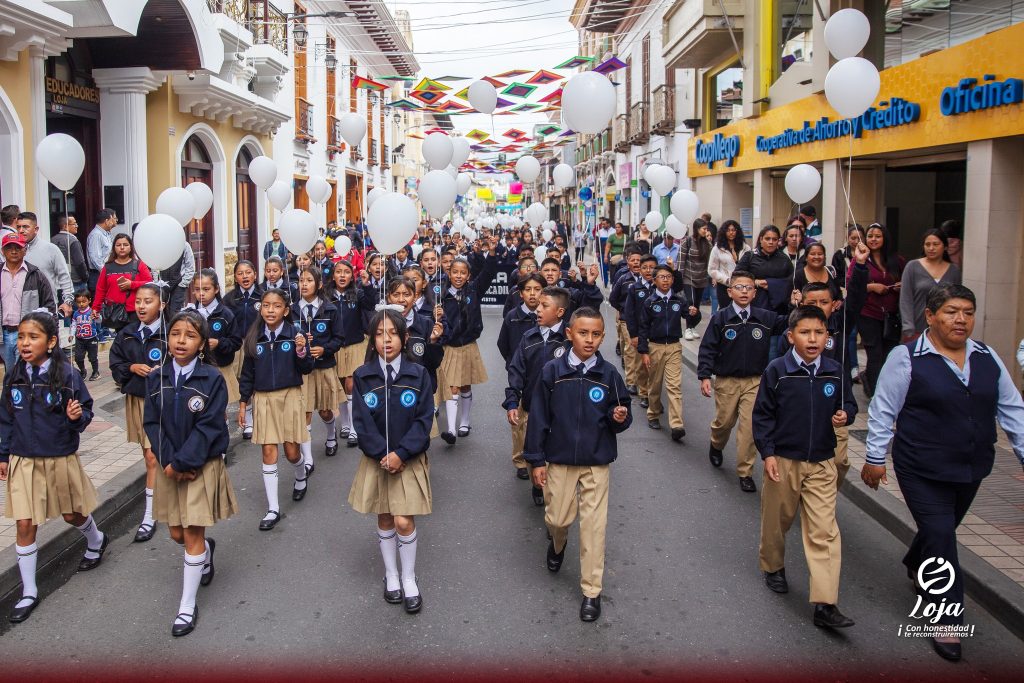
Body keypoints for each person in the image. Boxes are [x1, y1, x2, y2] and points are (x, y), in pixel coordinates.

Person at [862, 283, 1024, 662]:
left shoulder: (987, 356)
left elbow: (1012, 409)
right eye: (951, 311)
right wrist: (874, 457)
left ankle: (916, 561)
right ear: (930, 316)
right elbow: (884, 410)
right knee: (941, 536)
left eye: (968, 312)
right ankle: (946, 617)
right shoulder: (906, 358)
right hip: (921, 466)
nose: (961, 319)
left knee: (942, 531)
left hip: (972, 467)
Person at [524, 307, 632, 623]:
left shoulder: (609, 374)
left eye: (596, 334)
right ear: (570, 333)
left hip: (596, 462)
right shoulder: (552, 372)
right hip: (559, 461)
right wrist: (536, 460)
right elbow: (539, 418)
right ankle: (558, 545)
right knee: (557, 520)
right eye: (583, 333)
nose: (589, 339)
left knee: (594, 529)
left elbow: (621, 413)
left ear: (602, 336)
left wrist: (619, 418)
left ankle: (591, 591)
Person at [0, 312, 108, 624]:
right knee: (24, 523)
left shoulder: (67, 375)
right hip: (24, 459)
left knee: (71, 514)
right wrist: (4, 455)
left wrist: (77, 417)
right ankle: (29, 591)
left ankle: (96, 540)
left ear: (51, 342)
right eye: (21, 337)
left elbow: (85, 412)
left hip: (59, 456)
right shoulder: (15, 375)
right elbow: (6, 418)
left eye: (32, 337)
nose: (24, 343)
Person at [754, 305, 857, 629]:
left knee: (824, 532)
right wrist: (768, 453)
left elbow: (848, 404)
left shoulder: (835, 371)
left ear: (827, 336)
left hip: (822, 463)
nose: (812, 339)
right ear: (791, 336)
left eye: (819, 332)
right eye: (805, 332)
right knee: (777, 521)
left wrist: (846, 415)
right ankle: (773, 566)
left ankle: (825, 604)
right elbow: (763, 415)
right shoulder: (777, 370)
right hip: (784, 461)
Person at [143, 310, 238, 637]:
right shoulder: (155, 378)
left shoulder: (212, 379)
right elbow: (152, 423)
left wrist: (186, 461)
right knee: (176, 534)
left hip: (200, 465)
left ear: (201, 344)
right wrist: (169, 460)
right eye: (176, 334)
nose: (181, 341)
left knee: (193, 534)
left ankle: (186, 605)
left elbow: (210, 425)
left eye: (190, 335)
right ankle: (206, 552)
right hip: (170, 466)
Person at [348, 309, 434, 615]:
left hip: (407, 459)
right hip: (377, 460)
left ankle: (409, 577)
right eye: (380, 333)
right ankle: (392, 575)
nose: (387, 340)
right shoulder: (363, 375)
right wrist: (380, 453)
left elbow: (424, 421)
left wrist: (402, 453)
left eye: (394, 333)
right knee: (385, 517)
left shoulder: (419, 375)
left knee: (403, 519)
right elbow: (361, 421)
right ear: (372, 339)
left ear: (405, 338)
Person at [697, 270, 788, 493]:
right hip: (727, 381)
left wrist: (796, 304)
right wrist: (704, 376)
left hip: (755, 382)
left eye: (749, 288)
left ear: (755, 293)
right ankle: (716, 444)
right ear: (729, 292)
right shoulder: (721, 318)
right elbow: (707, 348)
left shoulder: (764, 318)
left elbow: (788, 323)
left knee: (749, 428)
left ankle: (745, 472)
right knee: (724, 422)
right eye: (739, 287)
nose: (744, 291)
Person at [237, 288, 314, 531]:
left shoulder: (295, 334)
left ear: (286, 310)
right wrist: (243, 403)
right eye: (266, 306)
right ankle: (273, 509)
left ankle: (300, 475)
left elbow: (307, 367)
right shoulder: (254, 337)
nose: (271, 310)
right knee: (268, 451)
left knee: (292, 452)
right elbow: (247, 373)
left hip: (289, 396)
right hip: (263, 399)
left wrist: (301, 350)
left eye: (277, 306)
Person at [109, 282, 168, 543]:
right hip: (139, 400)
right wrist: (132, 367)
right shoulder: (128, 333)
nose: (142, 306)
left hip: (166, 400)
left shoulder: (172, 332)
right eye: (138, 302)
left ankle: (155, 508)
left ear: (162, 305)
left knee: (157, 455)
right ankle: (152, 510)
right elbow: (116, 361)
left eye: (148, 301)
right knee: (150, 456)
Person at [504, 286, 571, 505]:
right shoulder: (529, 337)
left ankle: (554, 488)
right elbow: (516, 370)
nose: (538, 310)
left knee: (557, 449)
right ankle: (537, 482)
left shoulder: (568, 340)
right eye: (538, 305)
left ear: (560, 312)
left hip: (561, 410)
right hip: (532, 406)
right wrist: (513, 400)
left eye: (545, 306)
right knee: (534, 445)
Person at [437, 240, 498, 443]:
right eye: (455, 272)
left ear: (468, 275)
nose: (459, 276)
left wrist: (491, 253)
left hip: (468, 345)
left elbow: (488, 274)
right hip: (449, 347)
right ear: (449, 273)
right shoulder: (441, 296)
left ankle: (465, 421)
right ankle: (452, 431)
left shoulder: (473, 290)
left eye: (463, 273)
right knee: (452, 385)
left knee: (465, 386)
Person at [292, 266, 343, 466]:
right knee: (304, 412)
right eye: (301, 280)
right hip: (301, 371)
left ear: (319, 284)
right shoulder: (292, 310)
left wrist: (324, 349)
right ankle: (308, 459)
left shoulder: (329, 309)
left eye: (309, 280)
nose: (304, 284)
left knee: (324, 410)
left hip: (323, 367)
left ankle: (331, 434)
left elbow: (339, 338)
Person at [639, 265, 697, 441]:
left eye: (668, 277)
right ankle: (653, 413)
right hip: (655, 346)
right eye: (661, 277)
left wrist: (694, 313)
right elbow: (643, 328)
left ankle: (677, 424)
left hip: (673, 346)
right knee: (655, 383)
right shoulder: (650, 302)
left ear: (673, 280)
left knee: (674, 385)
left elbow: (690, 317)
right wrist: (644, 351)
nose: (665, 280)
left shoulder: (678, 301)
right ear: (654, 280)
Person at [855, 222, 905, 397]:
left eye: (877, 236)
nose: (873, 239)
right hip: (868, 314)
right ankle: (876, 393)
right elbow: (851, 284)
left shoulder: (897, 261)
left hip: (891, 316)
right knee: (874, 354)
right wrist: (871, 287)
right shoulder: (860, 259)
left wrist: (901, 286)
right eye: (870, 236)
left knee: (888, 355)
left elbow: (908, 282)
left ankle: (875, 382)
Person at [325, 260, 368, 449]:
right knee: (341, 385)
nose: (342, 275)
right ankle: (344, 423)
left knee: (351, 384)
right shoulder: (326, 296)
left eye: (347, 272)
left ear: (353, 275)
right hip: (335, 346)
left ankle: (353, 428)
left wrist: (367, 285)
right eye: (338, 272)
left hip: (354, 344)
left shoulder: (357, 294)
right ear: (333, 275)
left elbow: (371, 303)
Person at [737, 225, 794, 359]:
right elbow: (737, 277)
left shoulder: (784, 260)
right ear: (761, 239)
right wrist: (754, 282)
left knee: (772, 350)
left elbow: (791, 282)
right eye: (767, 238)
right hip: (754, 307)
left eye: (774, 239)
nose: (771, 242)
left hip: (776, 310)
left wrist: (771, 284)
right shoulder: (750, 256)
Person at [1, 234, 56, 371]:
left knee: (27, 372)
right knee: (10, 374)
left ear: (25, 250)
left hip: (28, 335)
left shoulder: (35, 275)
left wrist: (52, 334)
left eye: (18, 248)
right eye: (9, 248)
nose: (14, 251)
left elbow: (49, 306)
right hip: (3, 335)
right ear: (2, 251)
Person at [185, 269, 240, 405]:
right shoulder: (190, 313)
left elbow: (236, 341)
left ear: (216, 289)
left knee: (220, 403)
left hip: (219, 366)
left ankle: (223, 424)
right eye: (197, 289)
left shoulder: (225, 314)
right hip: (196, 367)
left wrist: (219, 343)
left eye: (206, 289)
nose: (201, 293)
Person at [221, 260, 262, 439]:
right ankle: (240, 414)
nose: (244, 276)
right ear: (235, 277)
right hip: (237, 344)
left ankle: (250, 420)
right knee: (239, 380)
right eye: (240, 273)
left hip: (256, 343)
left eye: (248, 272)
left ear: (254, 274)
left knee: (252, 379)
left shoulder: (263, 296)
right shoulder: (229, 299)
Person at [899, 229, 961, 342]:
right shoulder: (912, 267)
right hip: (917, 330)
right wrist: (908, 327)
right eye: (927, 244)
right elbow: (905, 299)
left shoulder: (954, 271)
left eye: (936, 244)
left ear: (945, 247)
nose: (931, 248)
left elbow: (957, 301)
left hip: (945, 330)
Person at [91, 233, 153, 333]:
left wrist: (131, 284)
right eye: (118, 245)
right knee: (121, 341)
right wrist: (95, 308)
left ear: (131, 247)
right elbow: (101, 290)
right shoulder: (107, 267)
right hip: (115, 312)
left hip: (136, 311)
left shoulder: (139, 265)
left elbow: (150, 284)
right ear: (114, 248)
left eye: (125, 245)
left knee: (135, 340)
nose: (122, 248)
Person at [15, 213, 73, 316]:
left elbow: (64, 276)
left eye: (25, 227)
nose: (21, 230)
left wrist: (67, 301)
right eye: (18, 227)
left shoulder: (51, 249)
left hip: (47, 306)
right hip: (18, 308)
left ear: (36, 229)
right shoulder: (11, 252)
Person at [497, 273, 544, 368]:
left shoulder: (547, 315)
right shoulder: (512, 316)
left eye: (537, 289)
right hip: (517, 370)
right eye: (527, 289)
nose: (532, 293)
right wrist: (512, 362)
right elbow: (502, 344)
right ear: (521, 294)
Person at [679, 219, 714, 340]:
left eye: (706, 229)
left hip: (702, 278)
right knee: (690, 302)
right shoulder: (686, 242)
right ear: (696, 229)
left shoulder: (708, 244)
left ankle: (693, 326)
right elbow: (681, 261)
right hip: (688, 277)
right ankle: (688, 328)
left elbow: (710, 262)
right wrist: (680, 277)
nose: (706, 231)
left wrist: (711, 276)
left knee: (697, 305)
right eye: (703, 229)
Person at [708, 219, 750, 309]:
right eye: (728, 230)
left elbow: (749, 266)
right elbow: (711, 270)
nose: (731, 233)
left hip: (742, 285)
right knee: (726, 311)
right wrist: (726, 280)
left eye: (733, 230)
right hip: (725, 286)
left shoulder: (745, 248)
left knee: (741, 309)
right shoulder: (717, 248)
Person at [51, 215, 88, 294]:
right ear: (65, 226)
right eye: (74, 224)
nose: (76, 226)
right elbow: (79, 263)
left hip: (58, 280)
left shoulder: (52, 239)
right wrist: (85, 277)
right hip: (75, 281)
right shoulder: (72, 241)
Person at [72, 291, 101, 380]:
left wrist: (96, 317)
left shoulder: (92, 311)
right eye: (78, 302)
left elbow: (99, 321)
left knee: (92, 357)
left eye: (83, 301)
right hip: (80, 339)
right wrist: (71, 334)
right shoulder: (76, 314)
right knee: (78, 357)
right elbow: (73, 324)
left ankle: (95, 372)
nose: (81, 304)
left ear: (89, 301)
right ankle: (82, 370)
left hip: (91, 338)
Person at [86, 208, 116, 293]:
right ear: (106, 221)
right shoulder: (96, 235)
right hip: (98, 274)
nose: (113, 222)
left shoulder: (105, 234)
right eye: (112, 219)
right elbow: (95, 258)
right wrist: (105, 273)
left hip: (105, 272)